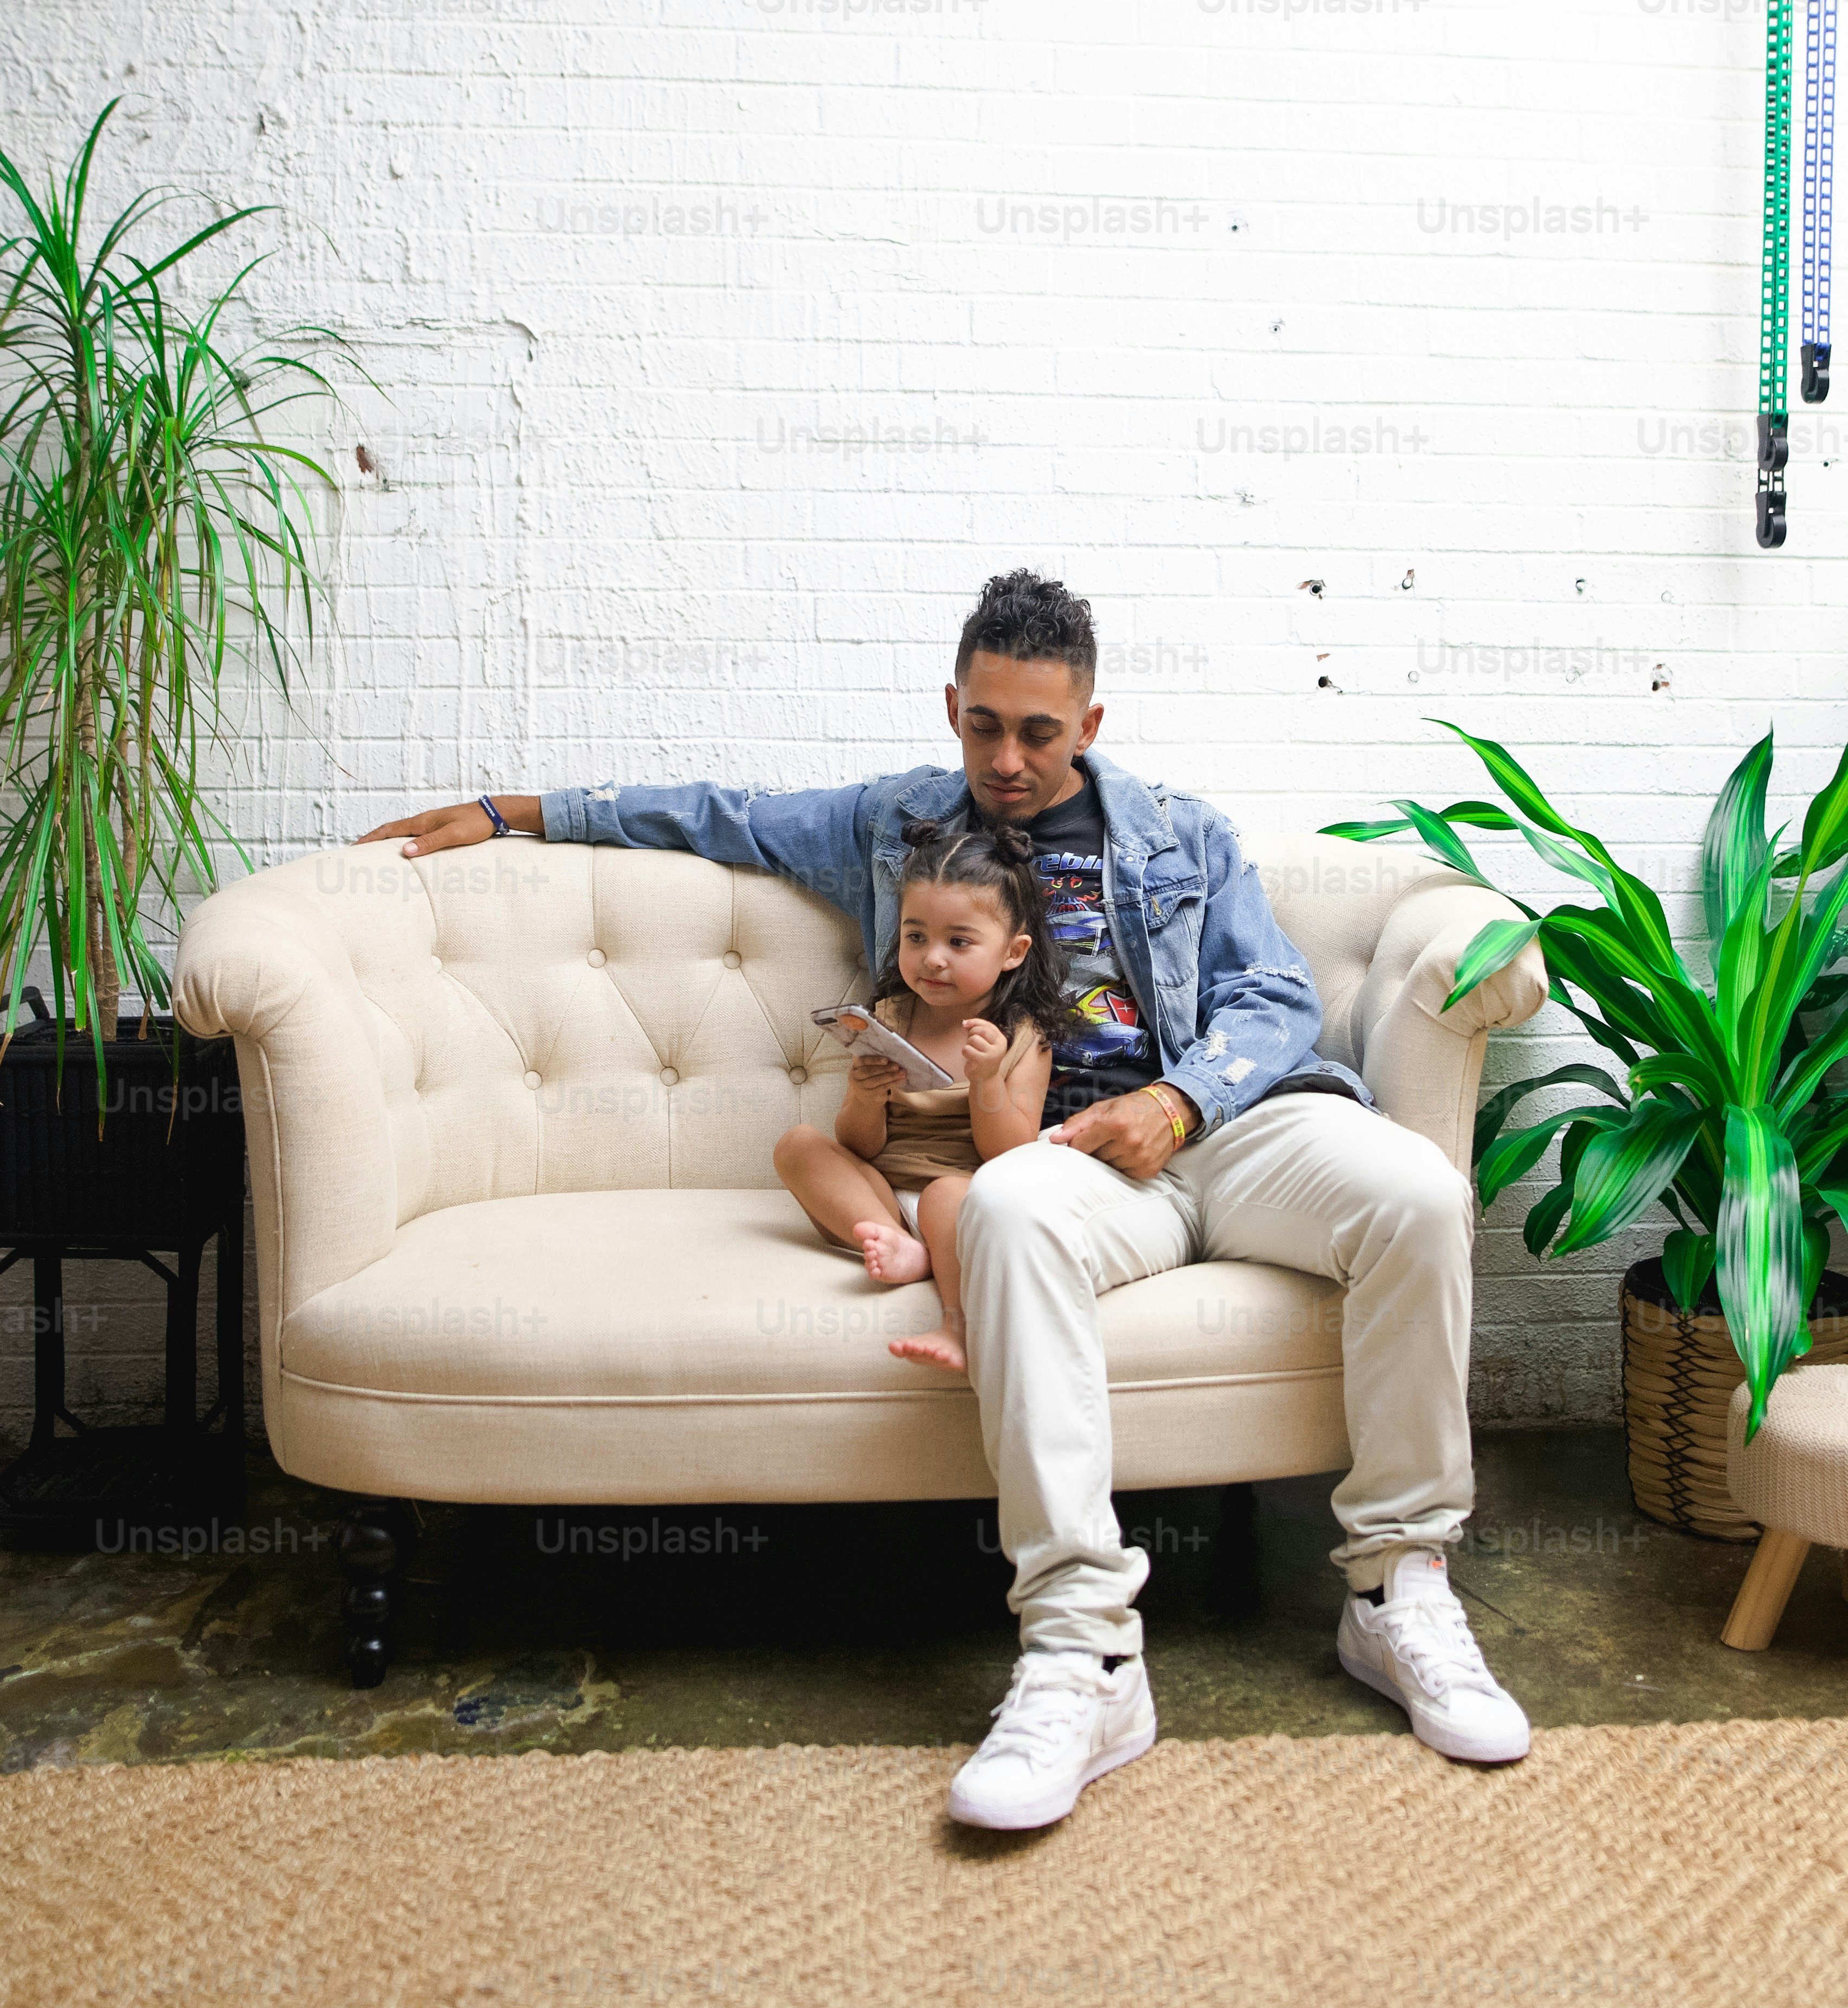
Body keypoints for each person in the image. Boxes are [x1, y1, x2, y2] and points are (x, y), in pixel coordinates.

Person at [362, 566, 1531, 1832]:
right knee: (1008, 1208)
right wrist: (512, 808)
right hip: (1063, 1161)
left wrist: (1180, 1104)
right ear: (954, 707)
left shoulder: (1182, 833)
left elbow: (1274, 1002)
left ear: (1088, 725)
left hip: (1224, 1122)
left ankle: (1396, 1587)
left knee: (1415, 1186)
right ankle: (1086, 1655)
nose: (1009, 759)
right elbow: (720, 814)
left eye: (1040, 731)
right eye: (985, 724)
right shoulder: (895, 821)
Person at [776, 819, 1074, 1375]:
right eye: (916, 937)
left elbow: (1009, 1156)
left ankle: (956, 1324)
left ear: (1013, 951)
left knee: (944, 1194)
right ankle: (900, 1247)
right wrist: (864, 1099)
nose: (932, 958)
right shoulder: (888, 1018)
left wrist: (986, 1082)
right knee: (798, 1144)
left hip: (964, 1201)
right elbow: (859, 1147)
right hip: (877, 1201)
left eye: (958, 942)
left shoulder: (1022, 1038)